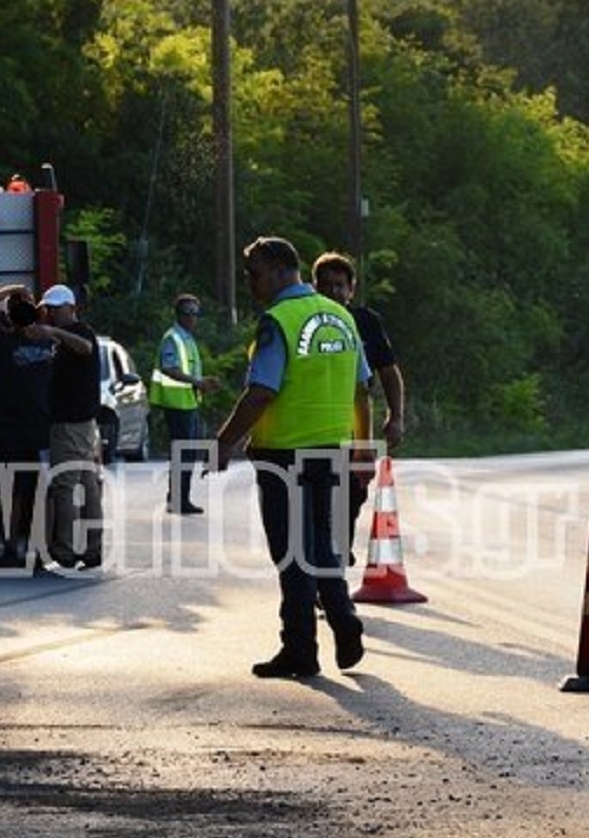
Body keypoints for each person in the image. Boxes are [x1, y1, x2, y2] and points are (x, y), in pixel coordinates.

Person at [208, 236, 372, 679]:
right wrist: (362, 449)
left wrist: (222, 443)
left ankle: (300, 648)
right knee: (320, 545)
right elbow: (361, 391)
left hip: (287, 456)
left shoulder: (278, 321)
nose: (250, 282)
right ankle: (343, 619)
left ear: (282, 270)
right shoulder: (340, 317)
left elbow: (261, 391)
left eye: (254, 273)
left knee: (293, 556)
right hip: (334, 451)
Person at [311, 251, 406, 564]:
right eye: (326, 286)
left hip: (356, 430)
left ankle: (337, 553)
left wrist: (396, 416)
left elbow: (388, 372)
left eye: (340, 285)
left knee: (351, 498)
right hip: (315, 430)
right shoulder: (308, 323)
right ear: (315, 288)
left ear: (351, 289)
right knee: (318, 504)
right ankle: (328, 568)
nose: (334, 292)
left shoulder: (365, 322)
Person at [0, 282, 58, 568]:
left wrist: (33, 302)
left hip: (43, 426)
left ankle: (43, 549)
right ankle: (10, 547)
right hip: (8, 427)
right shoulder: (2, 340)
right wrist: (11, 290)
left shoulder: (49, 340)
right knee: (12, 490)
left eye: (27, 303)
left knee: (43, 490)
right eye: (18, 305)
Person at [40, 284, 104, 571]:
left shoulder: (81, 333)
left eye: (55, 307)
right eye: (49, 308)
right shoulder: (69, 338)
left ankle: (65, 550)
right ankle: (92, 548)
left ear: (70, 306)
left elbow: (85, 347)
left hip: (71, 423)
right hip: (82, 423)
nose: (51, 313)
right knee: (87, 485)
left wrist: (54, 334)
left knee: (65, 486)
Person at [150, 293, 220, 514]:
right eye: (187, 313)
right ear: (178, 314)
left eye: (195, 313)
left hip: (188, 403)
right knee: (183, 453)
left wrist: (202, 382)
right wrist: (198, 382)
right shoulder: (173, 338)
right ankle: (179, 500)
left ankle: (179, 498)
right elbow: (169, 368)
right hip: (176, 404)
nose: (192, 317)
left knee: (187, 453)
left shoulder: (187, 338)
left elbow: (188, 372)